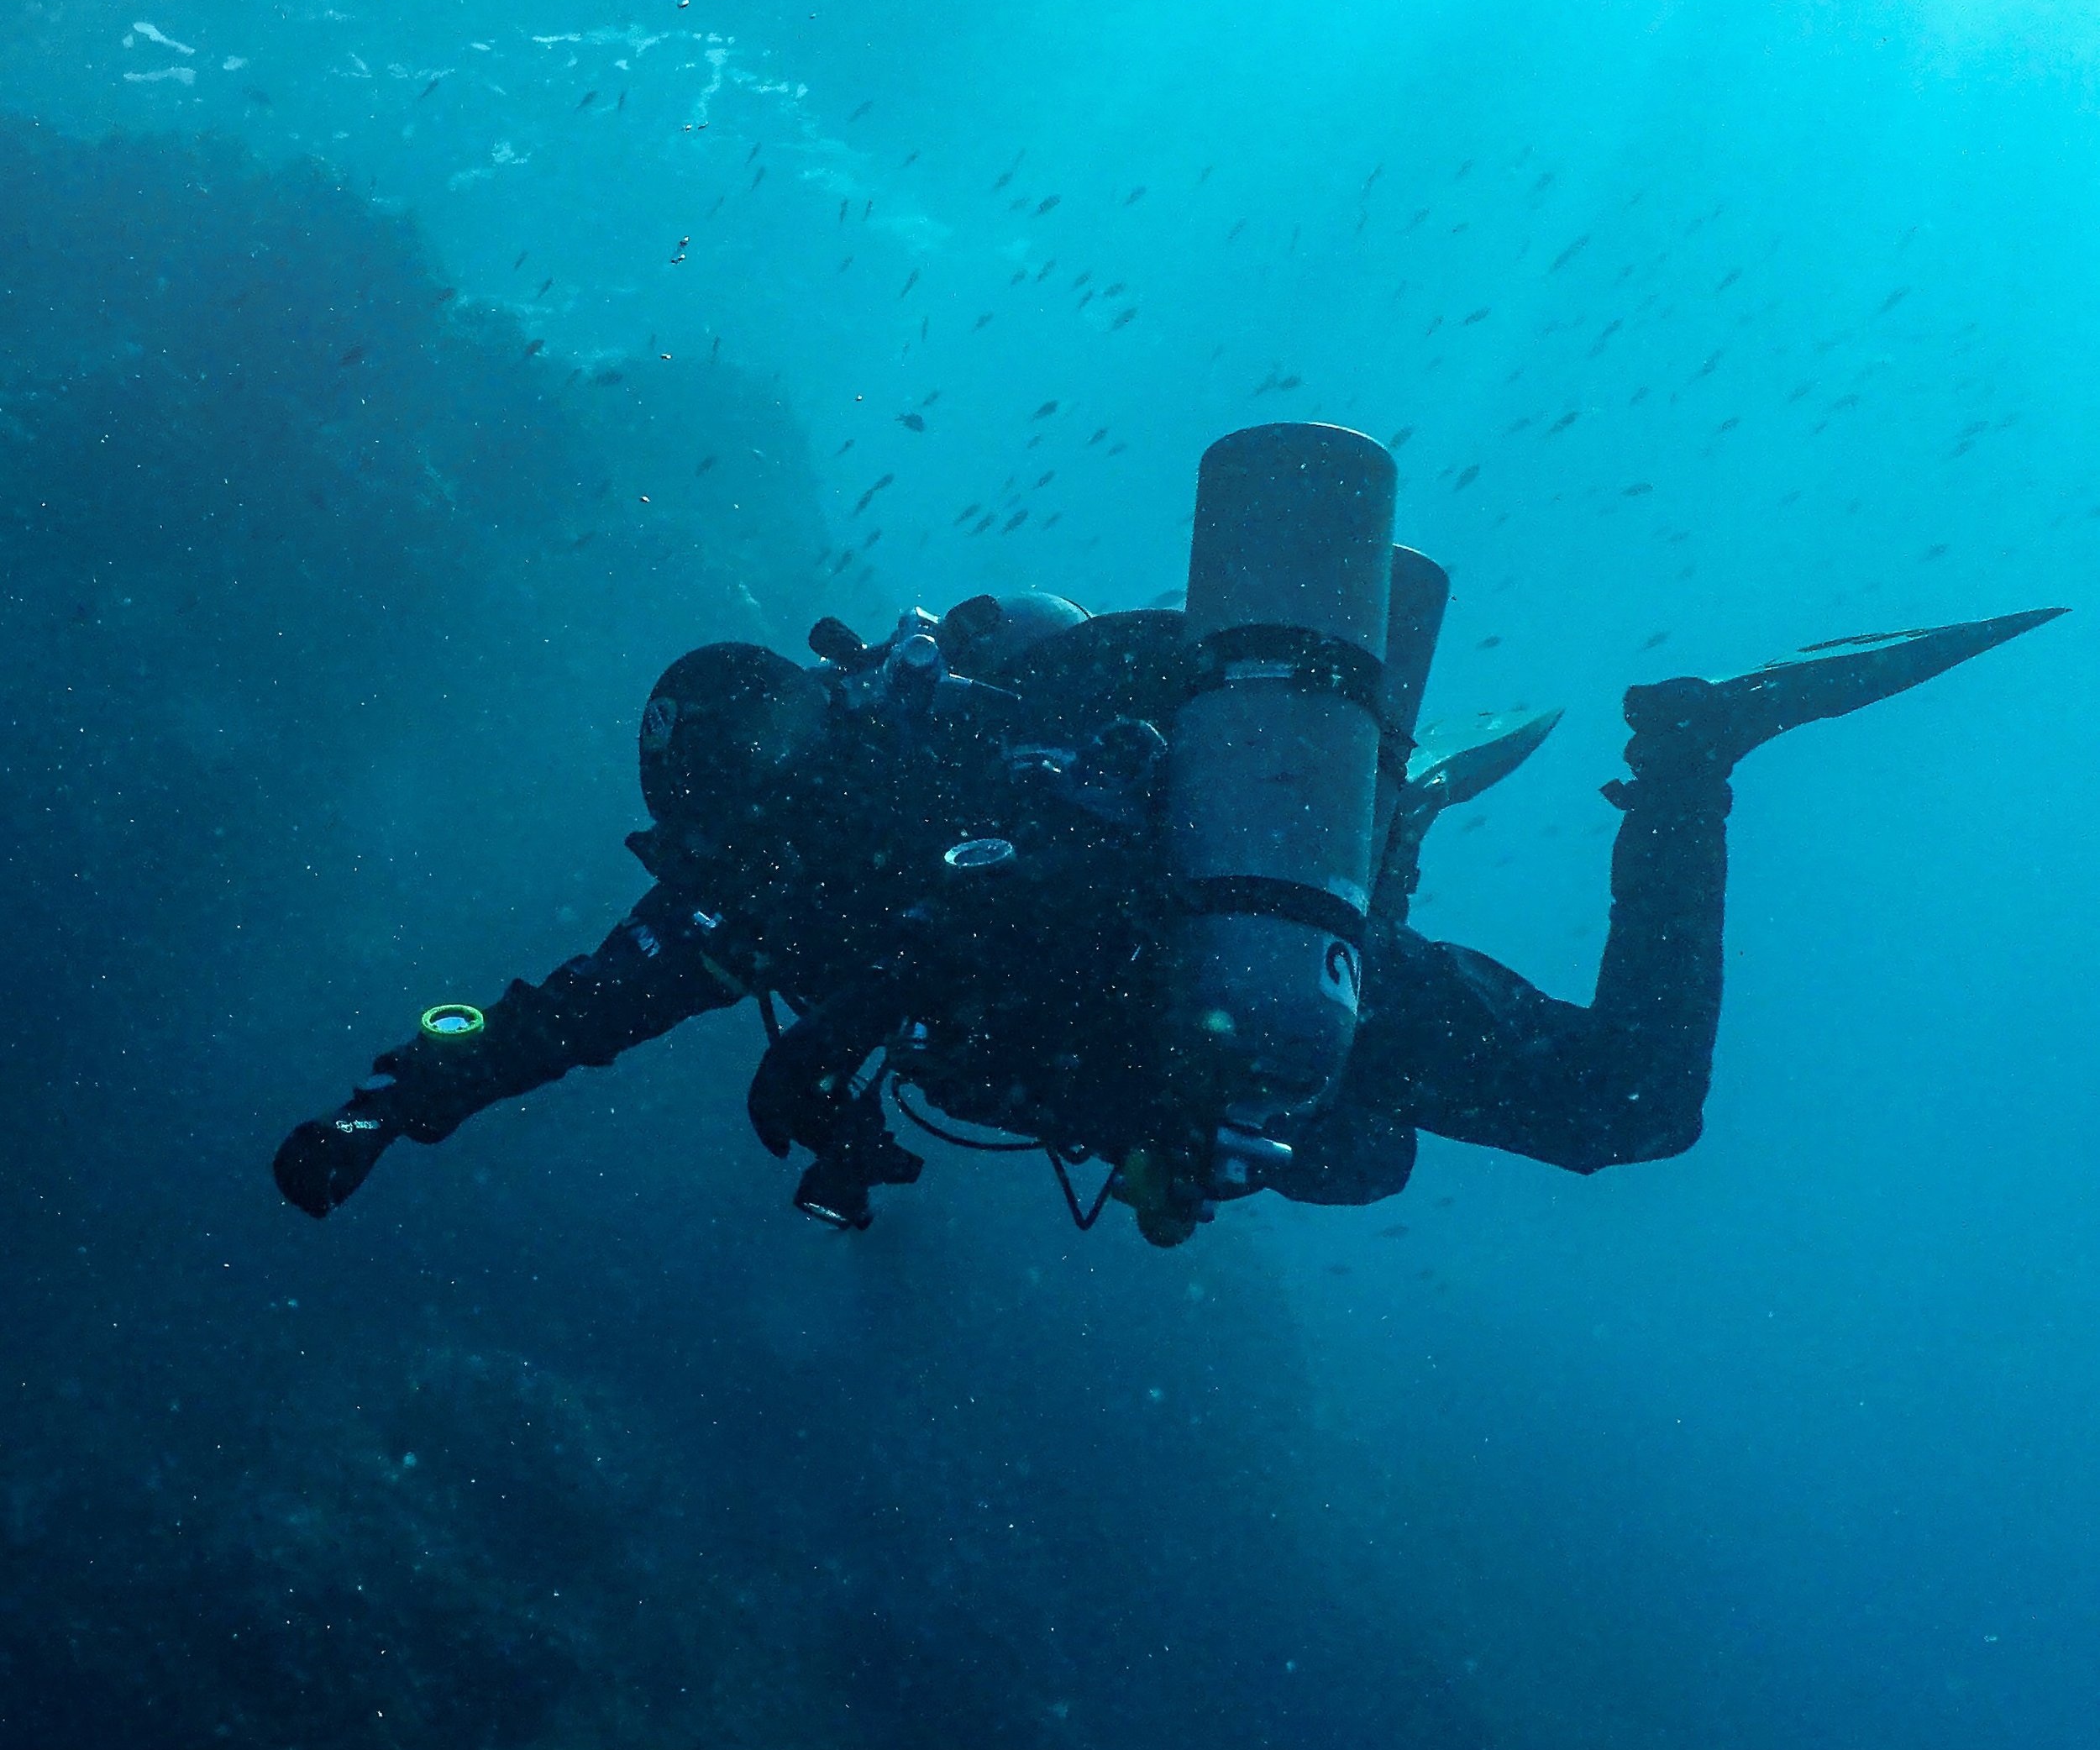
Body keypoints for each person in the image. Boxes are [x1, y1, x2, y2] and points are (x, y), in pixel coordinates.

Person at [275, 453, 2063, 1247]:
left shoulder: (928, 776)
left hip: (1215, 983)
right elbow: (554, 1015)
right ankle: (1424, 816)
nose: (783, 780)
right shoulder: (765, 890)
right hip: (1221, 1041)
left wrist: (411, 1096)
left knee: (1612, 1113)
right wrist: (396, 1098)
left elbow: (565, 1013)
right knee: (1393, 1144)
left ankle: (1672, 759)